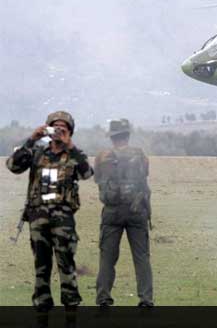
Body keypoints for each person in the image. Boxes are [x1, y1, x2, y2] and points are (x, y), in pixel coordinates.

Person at [5, 111, 93, 311]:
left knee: (66, 263)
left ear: (70, 132)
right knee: (41, 266)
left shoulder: (74, 155)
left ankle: (71, 307)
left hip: (63, 218)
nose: (58, 132)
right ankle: (42, 307)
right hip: (38, 218)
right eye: (55, 127)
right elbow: (12, 165)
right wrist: (32, 139)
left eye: (64, 128)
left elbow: (87, 173)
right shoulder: (37, 152)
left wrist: (70, 145)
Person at [94, 119, 153, 307]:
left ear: (112, 138)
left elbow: (97, 179)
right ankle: (146, 299)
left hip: (112, 212)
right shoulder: (141, 155)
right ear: (128, 135)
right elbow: (145, 175)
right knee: (142, 257)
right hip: (137, 210)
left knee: (107, 258)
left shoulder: (102, 157)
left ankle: (104, 298)